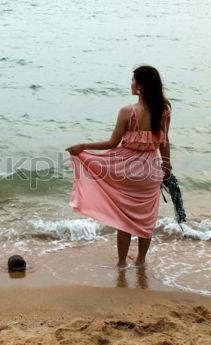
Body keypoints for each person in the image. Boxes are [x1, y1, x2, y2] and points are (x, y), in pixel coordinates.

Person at [65, 65, 172, 268]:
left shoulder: (127, 112)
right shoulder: (164, 111)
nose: (130, 84)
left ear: (140, 86)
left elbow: (112, 143)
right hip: (150, 172)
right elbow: (165, 142)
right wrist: (167, 167)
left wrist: (84, 147)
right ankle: (141, 261)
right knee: (146, 220)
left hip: (126, 171)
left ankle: (122, 263)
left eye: (133, 80)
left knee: (125, 221)